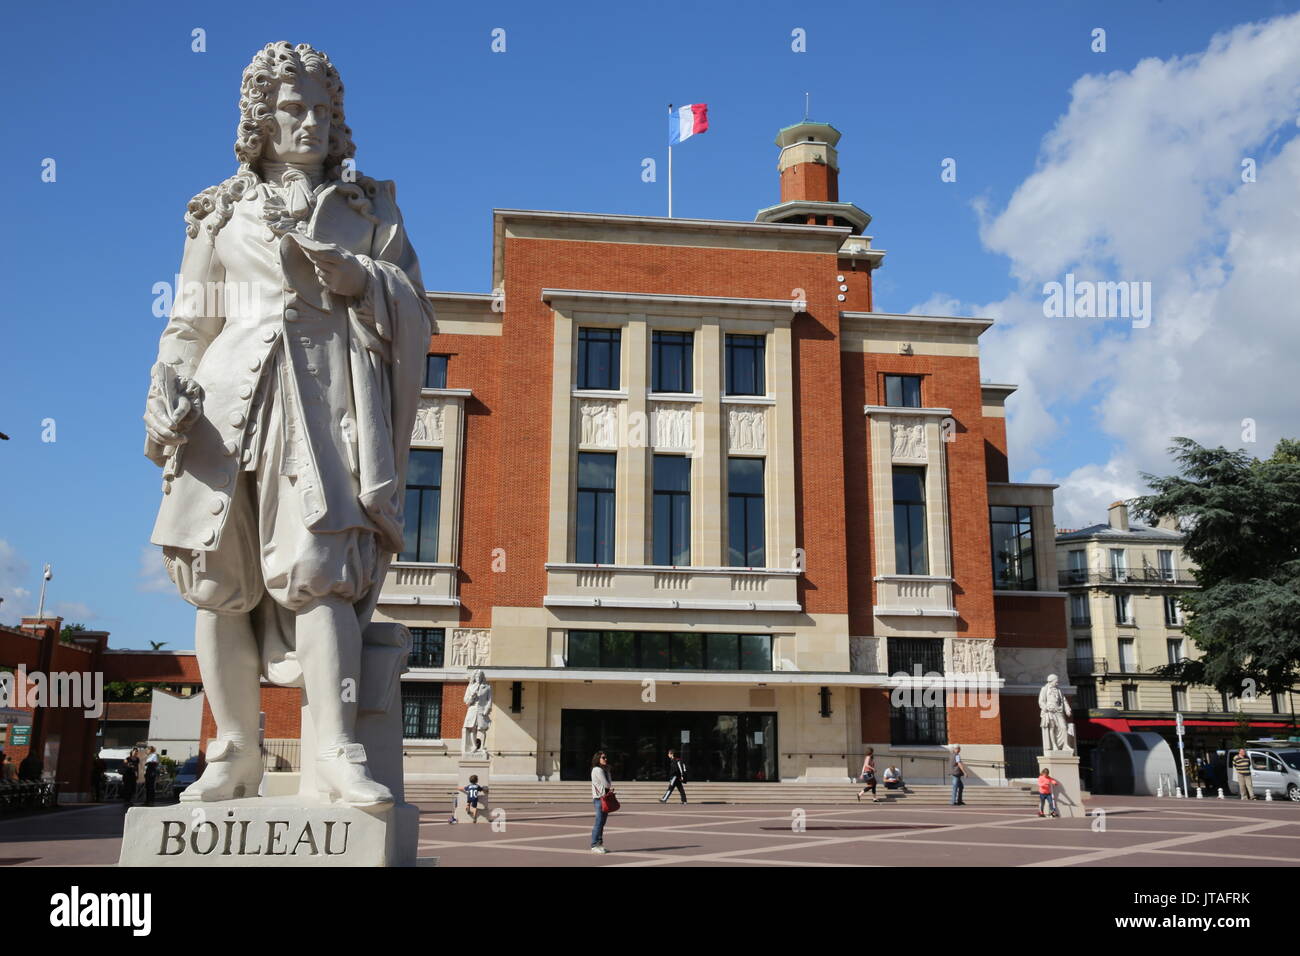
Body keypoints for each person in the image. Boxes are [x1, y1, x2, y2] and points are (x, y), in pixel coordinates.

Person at [142, 42, 434, 808]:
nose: (308, 123)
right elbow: (187, 324)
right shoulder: (217, 210)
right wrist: (164, 388)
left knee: (323, 570)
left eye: (322, 111)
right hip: (222, 405)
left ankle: (335, 750)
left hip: (325, 403)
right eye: (291, 109)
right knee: (215, 578)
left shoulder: (371, 205)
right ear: (260, 118)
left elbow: (418, 311)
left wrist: (362, 280)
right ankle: (234, 749)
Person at [590, 750, 614, 854]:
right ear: (598, 759)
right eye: (603, 758)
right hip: (599, 798)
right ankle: (594, 844)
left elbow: (609, 783)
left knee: (602, 822)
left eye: (605, 757)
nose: (605, 759)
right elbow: (607, 785)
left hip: (603, 798)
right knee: (599, 822)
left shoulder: (603, 770)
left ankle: (599, 844)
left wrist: (608, 771)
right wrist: (607, 773)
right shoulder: (597, 770)